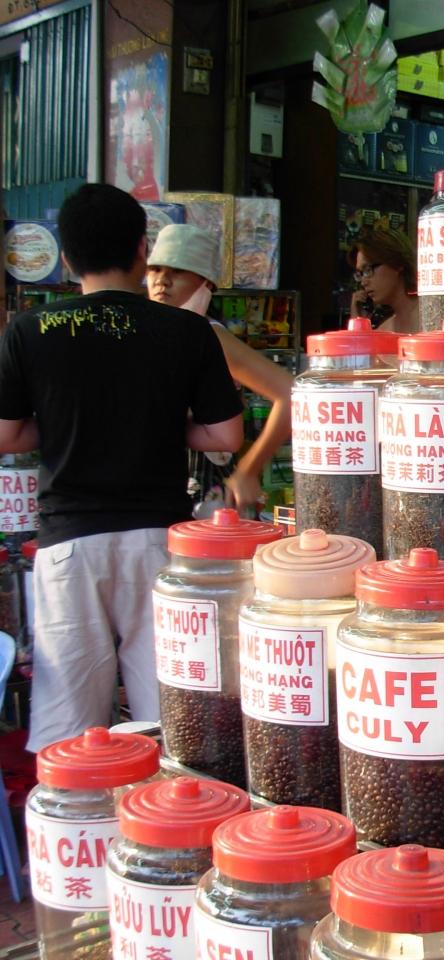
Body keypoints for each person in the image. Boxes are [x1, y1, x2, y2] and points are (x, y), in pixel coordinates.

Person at [0, 183, 243, 751]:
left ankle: (77, 808)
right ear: (140, 249)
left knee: (70, 732)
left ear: (66, 258)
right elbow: (225, 437)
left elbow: (7, 435)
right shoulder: (185, 330)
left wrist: (63, 427)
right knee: (171, 718)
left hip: (69, 544)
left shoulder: (29, 330)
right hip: (159, 543)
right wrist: (158, 424)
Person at [147, 223, 293, 513]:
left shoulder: (208, 335)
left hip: (205, 497)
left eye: (178, 271)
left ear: (205, 283)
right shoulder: (162, 330)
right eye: (156, 269)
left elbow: (291, 394)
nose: (162, 281)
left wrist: (249, 469)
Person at [349, 226, 418, 333]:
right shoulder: (383, 330)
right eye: (360, 274)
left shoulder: (434, 318)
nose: (363, 282)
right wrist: (360, 324)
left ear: (396, 263)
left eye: (368, 270)